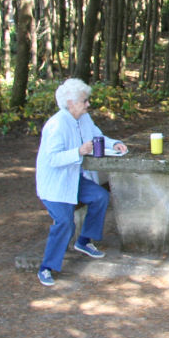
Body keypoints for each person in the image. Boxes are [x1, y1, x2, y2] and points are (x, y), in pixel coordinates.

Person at [35, 78, 128, 286]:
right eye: (84, 101)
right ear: (70, 103)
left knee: (100, 197)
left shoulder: (84, 119)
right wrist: (78, 151)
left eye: (87, 100)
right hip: (55, 186)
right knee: (65, 222)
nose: (88, 105)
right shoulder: (56, 125)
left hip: (75, 179)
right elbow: (52, 159)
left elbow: (98, 136)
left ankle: (84, 240)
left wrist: (117, 144)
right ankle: (46, 267)